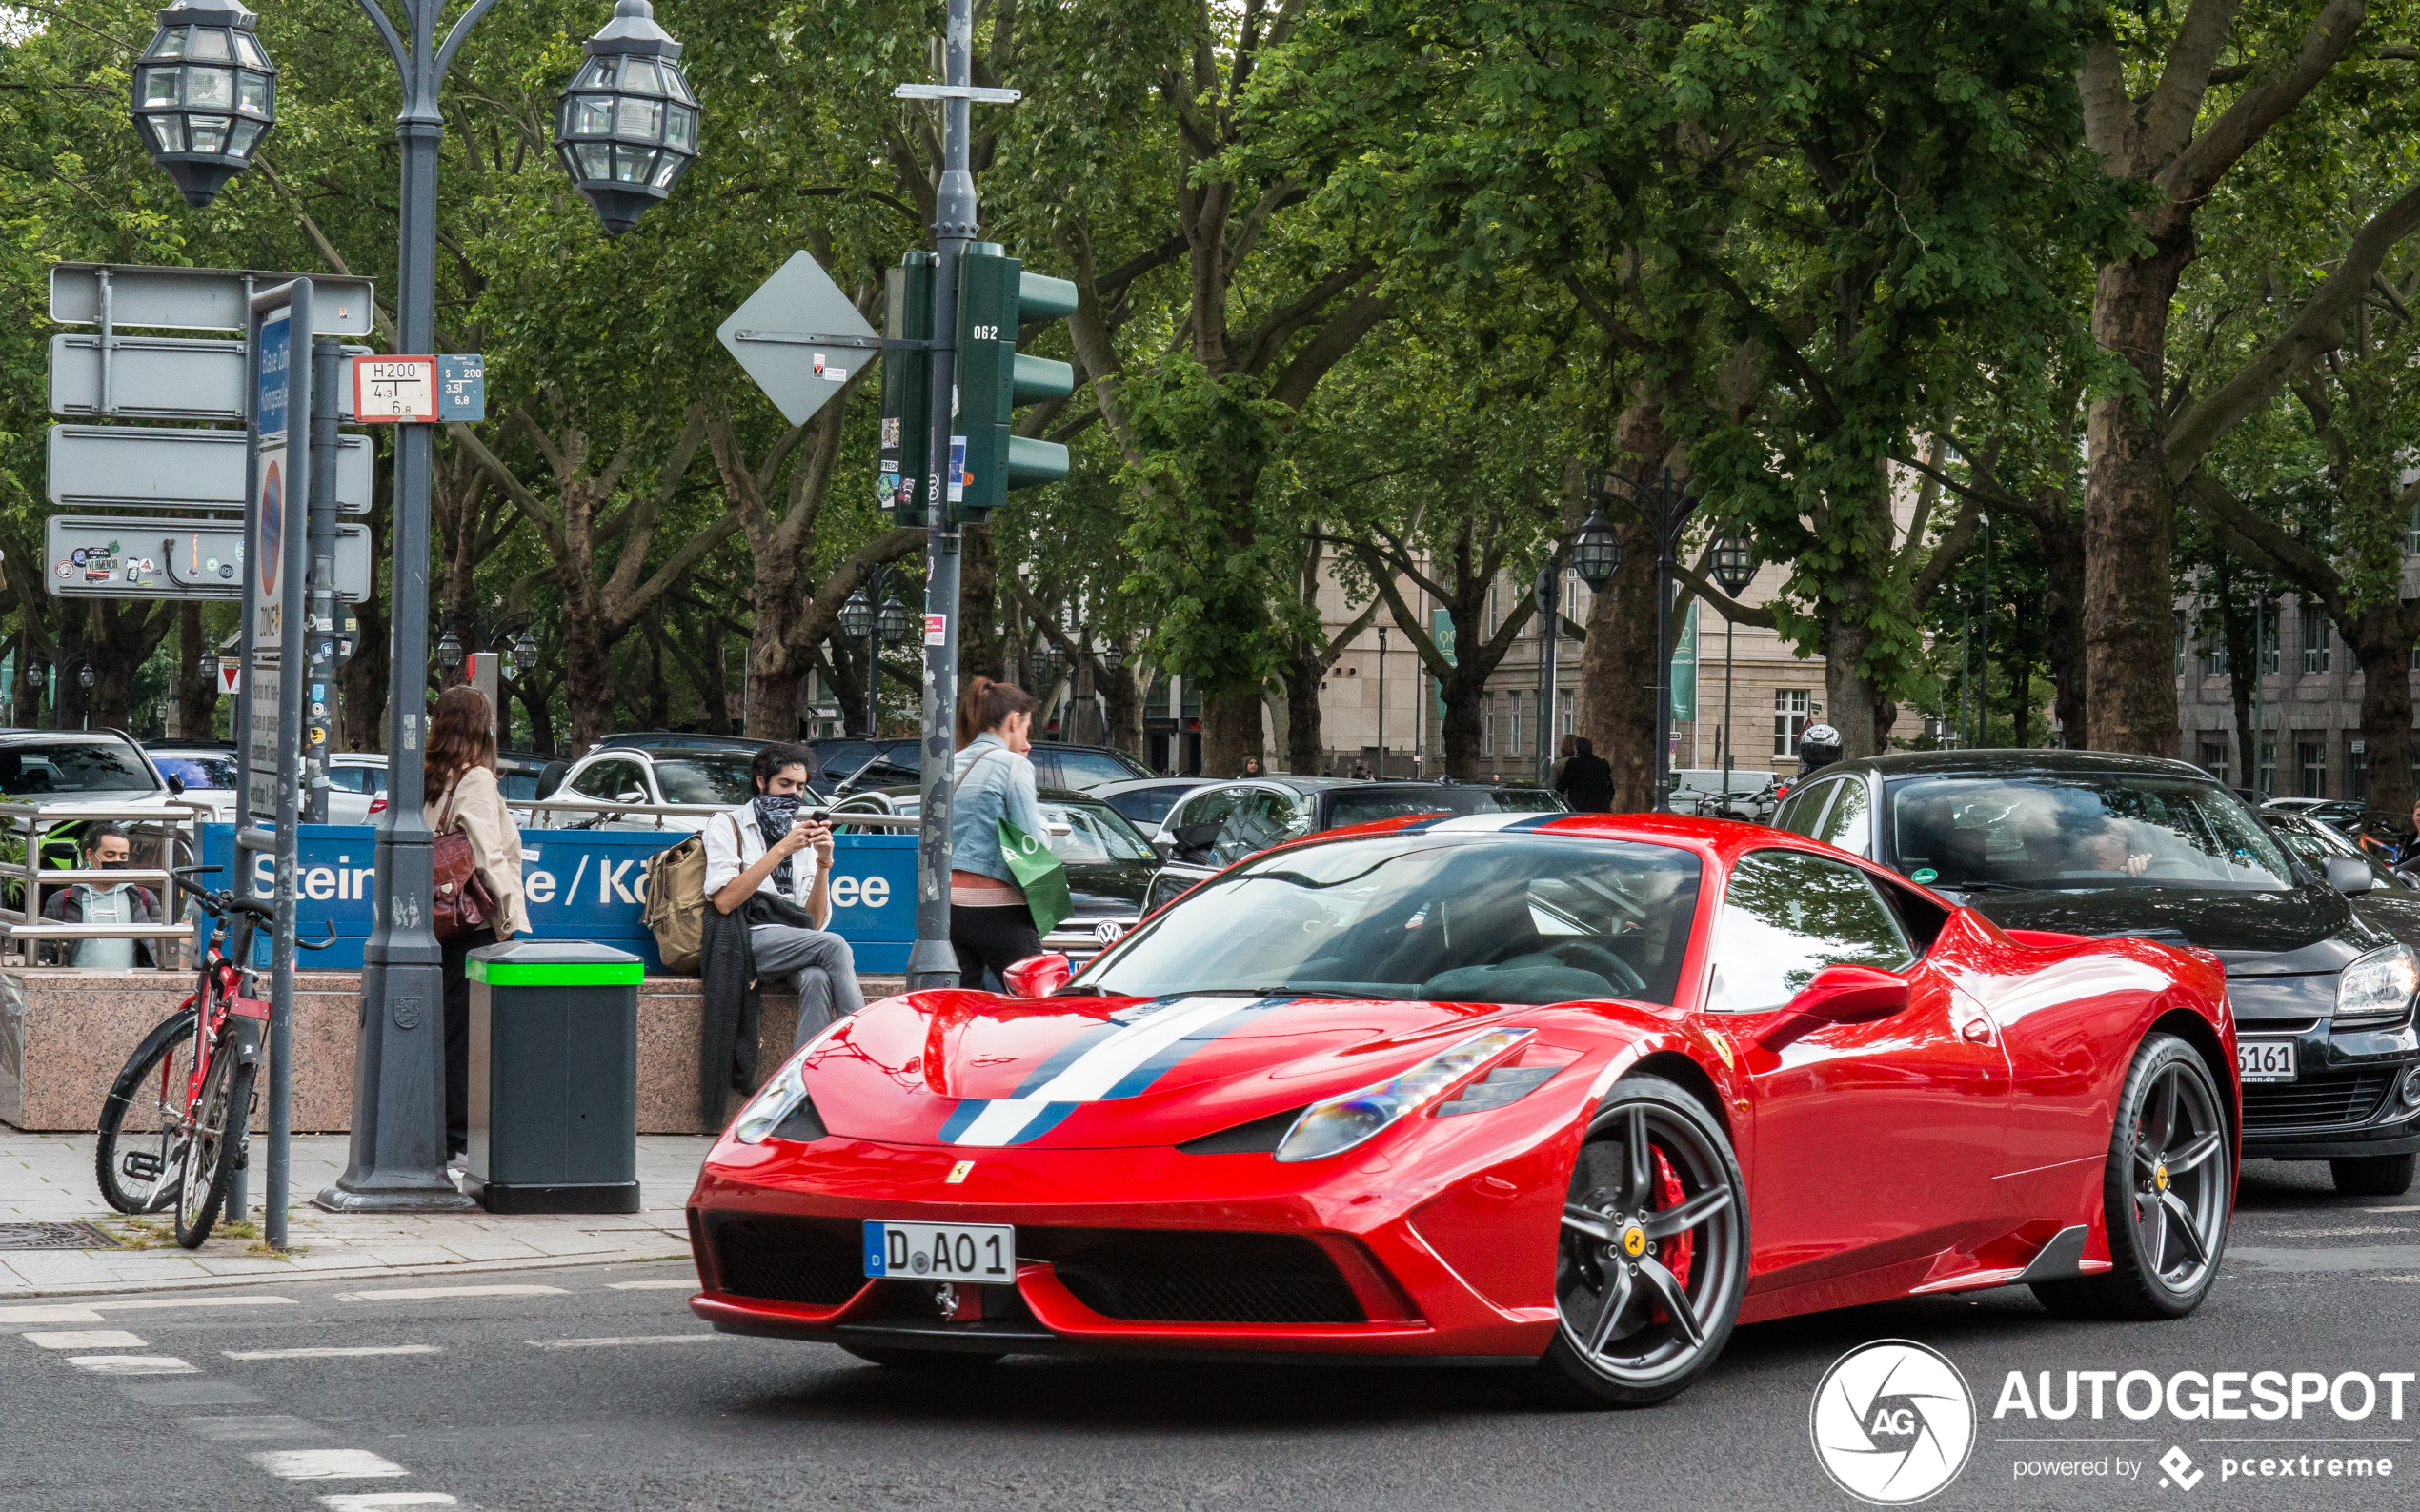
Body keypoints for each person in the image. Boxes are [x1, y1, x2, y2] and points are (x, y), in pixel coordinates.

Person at [424, 685, 530, 1171]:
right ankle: (454, 1139)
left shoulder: (429, 776)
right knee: (465, 1036)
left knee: (446, 1029)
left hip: (435, 920)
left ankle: (441, 1134)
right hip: (471, 922)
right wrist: (507, 918)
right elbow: (488, 856)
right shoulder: (477, 778)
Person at [702, 744, 864, 1059]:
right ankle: (862, 1048)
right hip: (743, 937)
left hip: (791, 941)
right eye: (785, 784)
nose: (793, 795)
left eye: (800, 787)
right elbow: (724, 901)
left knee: (817, 979)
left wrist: (823, 864)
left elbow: (813, 924)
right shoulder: (727, 824)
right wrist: (781, 850)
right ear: (762, 781)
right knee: (834, 945)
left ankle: (803, 1080)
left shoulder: (798, 835)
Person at [951, 677, 1051, 988]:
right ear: (1014, 720)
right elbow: (1030, 842)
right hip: (1001, 910)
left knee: (961, 1012)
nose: (1026, 738)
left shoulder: (949, 763)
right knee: (1033, 1007)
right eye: (1026, 727)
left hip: (951, 910)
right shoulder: (1013, 766)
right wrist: (1045, 826)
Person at [38, 823, 162, 967]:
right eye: (110, 855)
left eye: (123, 856)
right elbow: (45, 956)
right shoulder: (62, 900)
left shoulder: (144, 899)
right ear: (90, 855)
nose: (117, 861)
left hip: (130, 986)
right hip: (77, 987)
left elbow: (157, 951)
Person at [1555, 736, 1614, 813]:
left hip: (1580, 810)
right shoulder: (1603, 764)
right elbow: (1610, 788)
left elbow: (1561, 786)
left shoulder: (1573, 764)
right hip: (1601, 809)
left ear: (1576, 750)